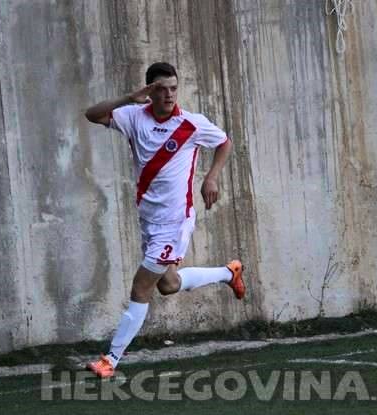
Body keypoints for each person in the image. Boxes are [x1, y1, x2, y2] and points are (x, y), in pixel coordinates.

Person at [83, 62, 245, 378]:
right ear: (150, 91)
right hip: (149, 220)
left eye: (173, 88)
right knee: (168, 285)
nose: (169, 94)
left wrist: (211, 177)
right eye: (161, 88)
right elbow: (92, 114)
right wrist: (128, 98)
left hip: (175, 222)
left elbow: (224, 142)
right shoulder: (132, 117)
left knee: (141, 287)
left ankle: (111, 360)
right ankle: (229, 273)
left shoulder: (191, 124)